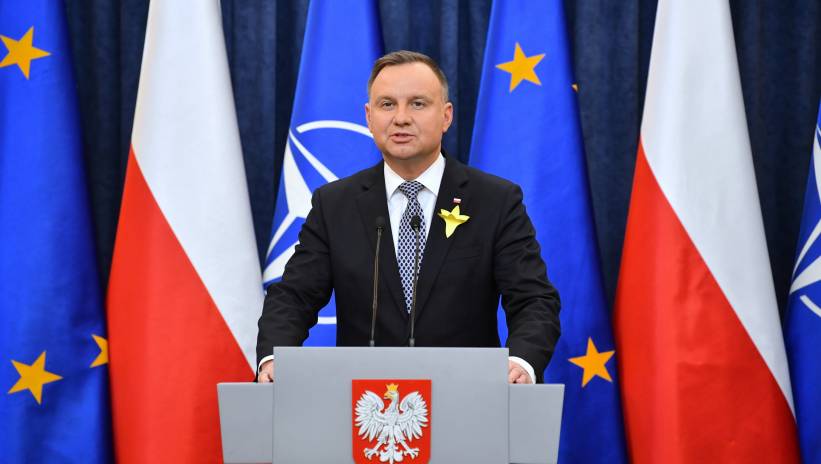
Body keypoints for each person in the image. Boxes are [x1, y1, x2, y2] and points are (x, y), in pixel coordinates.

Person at [256, 50, 560, 384]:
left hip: (468, 395)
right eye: (387, 104)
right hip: (365, 402)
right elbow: (294, 296)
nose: (401, 118)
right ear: (369, 117)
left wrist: (521, 362)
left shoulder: (495, 201)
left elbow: (534, 300)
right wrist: (273, 357)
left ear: (446, 116)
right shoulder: (335, 204)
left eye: (417, 103)